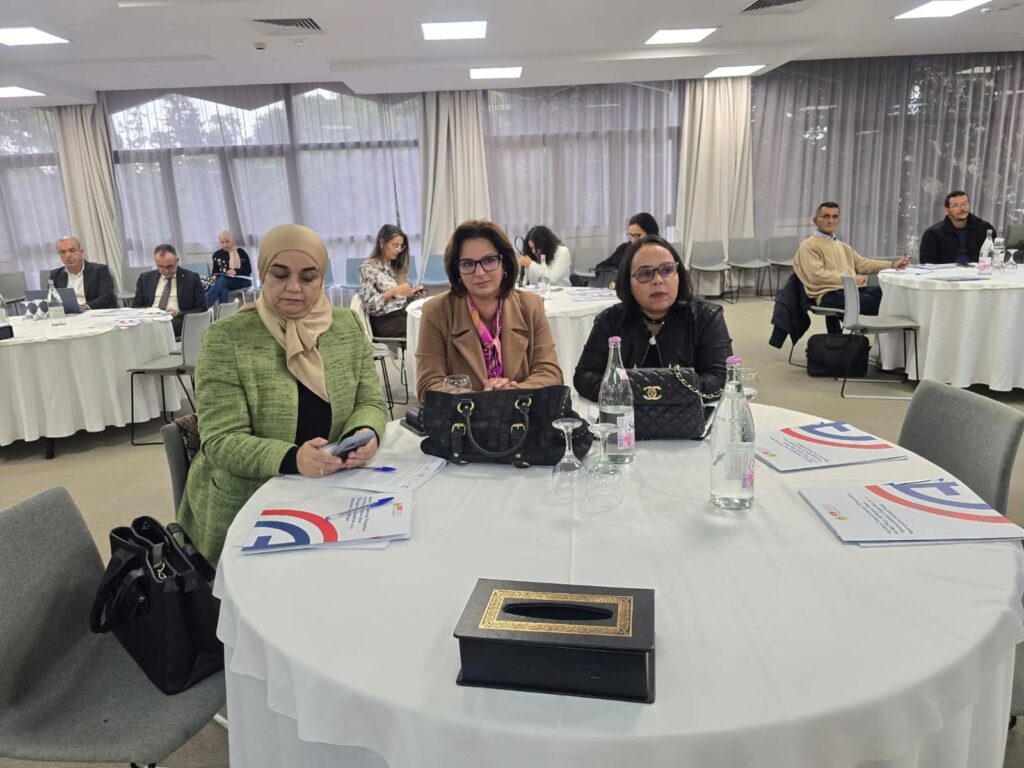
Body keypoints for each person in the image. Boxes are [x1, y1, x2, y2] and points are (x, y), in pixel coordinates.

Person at [177, 224, 389, 565]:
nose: (294, 288)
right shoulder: (227, 338)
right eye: (280, 275)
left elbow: (370, 401)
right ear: (263, 274)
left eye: (308, 277)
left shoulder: (346, 326)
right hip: (249, 500)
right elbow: (220, 440)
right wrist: (293, 459)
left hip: (334, 487)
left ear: (321, 279)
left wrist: (364, 432)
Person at [415, 219, 563, 401]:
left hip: (523, 414)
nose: (480, 273)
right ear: (457, 270)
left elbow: (550, 373)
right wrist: (483, 402)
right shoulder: (436, 312)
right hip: (463, 416)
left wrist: (512, 392)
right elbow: (428, 385)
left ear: (505, 263)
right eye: (467, 264)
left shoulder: (531, 306)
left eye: (489, 260)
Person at [574, 235, 733, 399]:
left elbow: (721, 379)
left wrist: (650, 392)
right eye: (644, 274)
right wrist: (644, 393)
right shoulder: (610, 320)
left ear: (678, 276)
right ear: (628, 284)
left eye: (667, 270)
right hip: (625, 412)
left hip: (688, 412)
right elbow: (585, 377)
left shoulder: (706, 316)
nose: (658, 280)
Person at [792, 202, 908, 316]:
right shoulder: (808, 246)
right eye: (826, 216)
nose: (830, 221)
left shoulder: (842, 246)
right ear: (815, 220)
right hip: (828, 294)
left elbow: (863, 264)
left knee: (892, 294)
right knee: (876, 303)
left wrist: (892, 264)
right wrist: (851, 280)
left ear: (838, 221)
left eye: (834, 217)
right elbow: (816, 276)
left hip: (851, 289)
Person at [358, 224, 424, 337]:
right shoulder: (368, 268)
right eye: (395, 245)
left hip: (402, 314)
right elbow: (370, 307)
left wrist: (411, 295)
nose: (399, 250)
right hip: (385, 320)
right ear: (382, 243)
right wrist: (394, 291)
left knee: (432, 324)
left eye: (401, 246)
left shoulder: (394, 267)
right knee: (423, 331)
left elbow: (401, 301)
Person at [132, 244, 208, 338]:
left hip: (176, 320)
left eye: (169, 266)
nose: (166, 271)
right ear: (156, 263)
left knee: (164, 327)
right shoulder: (145, 278)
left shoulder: (191, 278)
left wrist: (179, 313)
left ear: (177, 261)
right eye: (161, 266)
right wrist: (149, 312)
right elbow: (136, 307)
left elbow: (202, 308)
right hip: (150, 319)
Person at [919, 191, 997, 265]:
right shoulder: (933, 234)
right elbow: (927, 264)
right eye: (956, 205)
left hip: (979, 272)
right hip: (946, 273)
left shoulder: (985, 228)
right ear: (947, 210)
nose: (962, 208)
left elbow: (996, 256)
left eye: (965, 204)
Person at [49, 236, 117, 310]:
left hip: (93, 311)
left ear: (81, 252)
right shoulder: (55, 275)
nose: (68, 256)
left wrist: (84, 307)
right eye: (62, 252)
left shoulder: (100, 270)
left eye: (72, 250)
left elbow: (107, 297)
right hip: (68, 313)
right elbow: (52, 300)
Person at [594, 212, 660, 273]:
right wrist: (617, 273)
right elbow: (600, 267)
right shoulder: (624, 248)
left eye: (638, 235)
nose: (633, 240)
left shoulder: (660, 253)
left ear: (651, 234)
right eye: (631, 235)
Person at [205, 230, 253, 306]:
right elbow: (215, 272)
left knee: (224, 279)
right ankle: (224, 312)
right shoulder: (217, 255)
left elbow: (248, 270)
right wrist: (214, 276)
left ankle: (205, 304)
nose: (225, 244)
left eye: (227, 242)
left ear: (232, 240)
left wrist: (236, 271)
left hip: (242, 281)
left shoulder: (241, 252)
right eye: (222, 242)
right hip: (224, 283)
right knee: (223, 288)